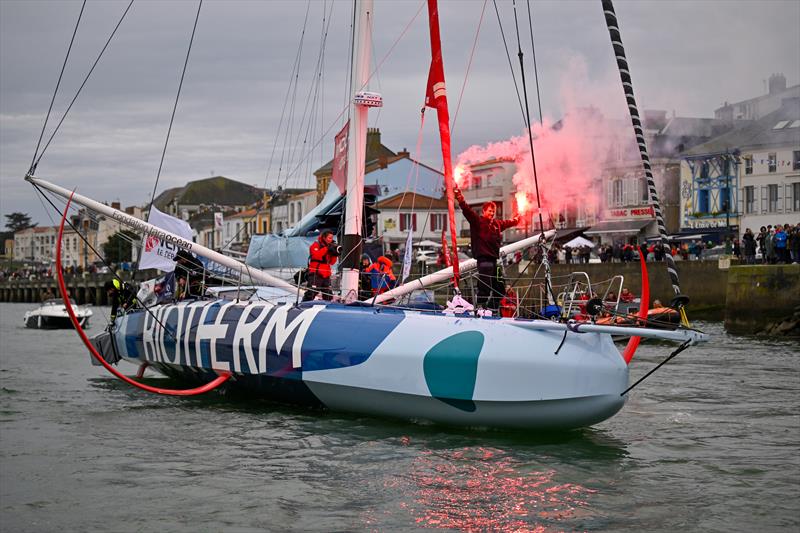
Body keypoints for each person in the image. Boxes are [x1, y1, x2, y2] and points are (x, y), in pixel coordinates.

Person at [455, 187, 519, 313]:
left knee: (500, 288)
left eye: (493, 211)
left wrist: (517, 219)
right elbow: (467, 211)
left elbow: (508, 223)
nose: (492, 213)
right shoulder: (477, 221)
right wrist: (460, 198)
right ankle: (480, 308)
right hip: (484, 260)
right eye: (490, 211)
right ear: (484, 211)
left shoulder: (497, 224)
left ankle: (491, 308)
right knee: (484, 287)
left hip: (495, 261)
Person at [302, 230, 340, 302]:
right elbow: (315, 256)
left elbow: (332, 262)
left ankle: (327, 308)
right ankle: (303, 306)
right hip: (316, 273)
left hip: (326, 274)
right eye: (329, 238)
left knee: (328, 294)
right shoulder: (316, 245)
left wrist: (335, 254)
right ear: (324, 237)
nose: (331, 240)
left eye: (332, 238)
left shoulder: (330, 247)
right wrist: (327, 248)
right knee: (312, 292)